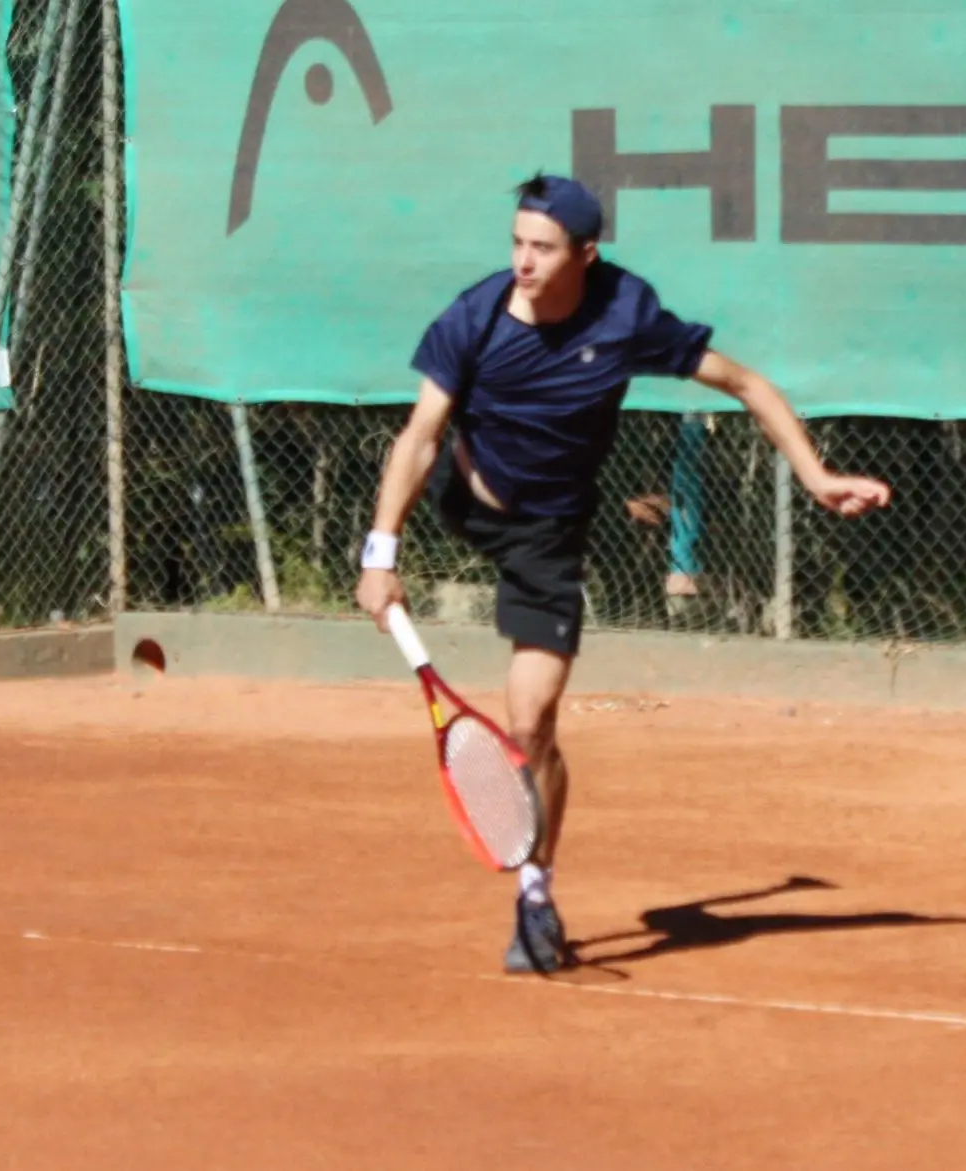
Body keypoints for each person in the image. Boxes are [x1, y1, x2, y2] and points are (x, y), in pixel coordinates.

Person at [354, 172, 892, 974]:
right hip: (464, 490)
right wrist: (381, 552)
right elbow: (420, 432)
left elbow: (745, 383)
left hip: (548, 537)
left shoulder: (625, 312)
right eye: (516, 243)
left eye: (542, 248)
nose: (524, 262)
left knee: (530, 723)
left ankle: (536, 889)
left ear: (586, 253)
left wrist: (815, 476)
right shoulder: (474, 317)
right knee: (436, 446)